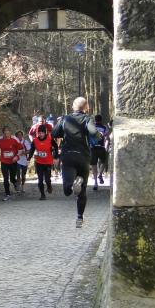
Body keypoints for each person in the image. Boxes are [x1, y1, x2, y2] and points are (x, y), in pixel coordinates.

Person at [52, 97, 102, 228]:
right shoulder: (87, 119)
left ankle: (71, 185)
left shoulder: (65, 119)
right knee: (82, 191)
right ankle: (79, 218)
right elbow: (93, 132)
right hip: (83, 157)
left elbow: (54, 133)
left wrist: (61, 125)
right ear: (86, 108)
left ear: (73, 107)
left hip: (68, 156)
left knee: (67, 190)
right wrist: (99, 136)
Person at [27, 124, 58, 200]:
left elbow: (56, 147)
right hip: (39, 162)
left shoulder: (50, 139)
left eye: (42, 133)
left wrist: (55, 157)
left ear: (45, 133)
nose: (40, 134)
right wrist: (29, 159)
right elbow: (32, 150)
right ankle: (42, 195)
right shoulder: (35, 141)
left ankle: (49, 186)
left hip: (48, 162)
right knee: (40, 180)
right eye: (39, 133)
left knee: (47, 179)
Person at [0, 126, 22, 201]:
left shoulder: (15, 139)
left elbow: (20, 149)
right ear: (3, 132)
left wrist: (17, 156)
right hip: (4, 161)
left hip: (13, 161)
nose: (6, 132)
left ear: (10, 132)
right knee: (5, 178)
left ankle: (15, 183)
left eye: (8, 131)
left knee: (12, 178)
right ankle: (7, 194)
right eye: (5, 131)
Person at [89, 114, 110, 190]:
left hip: (93, 148)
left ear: (95, 120)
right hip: (101, 147)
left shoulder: (92, 127)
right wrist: (106, 146)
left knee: (94, 165)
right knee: (104, 162)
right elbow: (107, 137)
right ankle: (100, 174)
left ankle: (95, 183)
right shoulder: (104, 127)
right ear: (101, 120)